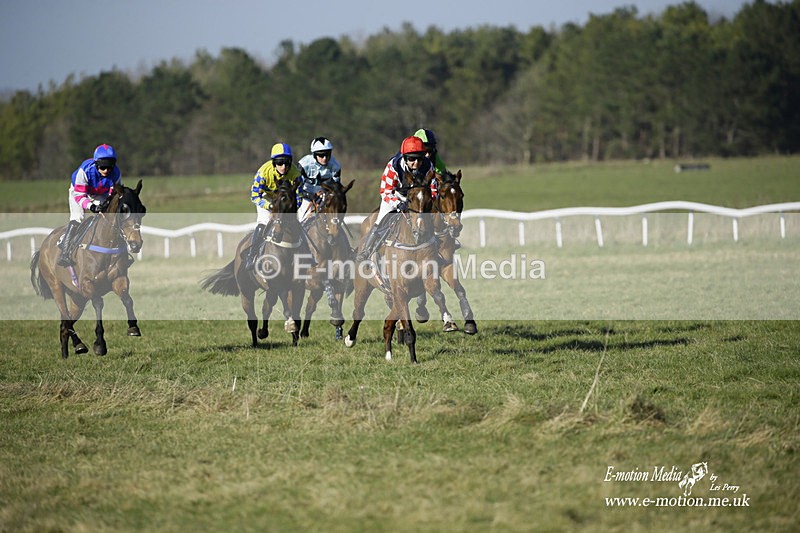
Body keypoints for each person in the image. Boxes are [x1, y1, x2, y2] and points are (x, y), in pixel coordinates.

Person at [355, 136, 437, 262]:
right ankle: (367, 250)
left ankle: (437, 247)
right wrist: (398, 204)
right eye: (411, 159)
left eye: (419, 158)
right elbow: (385, 191)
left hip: (418, 200)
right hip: (395, 196)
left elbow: (433, 189)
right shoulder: (393, 167)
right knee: (380, 220)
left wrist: (427, 203)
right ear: (404, 158)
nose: (416, 163)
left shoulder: (428, 166)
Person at [57, 144, 122, 267]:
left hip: (100, 194)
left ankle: (119, 252)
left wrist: (106, 204)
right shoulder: (85, 171)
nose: (107, 170)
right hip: (79, 192)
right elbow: (80, 196)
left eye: (110, 166)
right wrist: (91, 206)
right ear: (97, 164)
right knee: (78, 217)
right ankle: (65, 252)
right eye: (103, 167)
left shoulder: (116, 173)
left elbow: (115, 193)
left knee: (111, 217)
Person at [245, 142, 303, 271]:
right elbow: (255, 196)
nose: (283, 167)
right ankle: (252, 256)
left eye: (287, 163)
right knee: (263, 224)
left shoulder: (296, 174)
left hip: (286, 202)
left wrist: (288, 210)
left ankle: (308, 256)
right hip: (267, 198)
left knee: (298, 225)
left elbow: (300, 197)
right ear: (273, 163)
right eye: (279, 163)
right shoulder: (263, 173)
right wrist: (270, 206)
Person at [297, 136, 342, 222]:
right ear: (314, 154)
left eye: (327, 154)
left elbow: (336, 187)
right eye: (321, 155)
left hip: (325, 195)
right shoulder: (303, 164)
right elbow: (298, 187)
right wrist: (310, 196)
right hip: (306, 195)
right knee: (303, 219)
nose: (324, 158)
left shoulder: (336, 166)